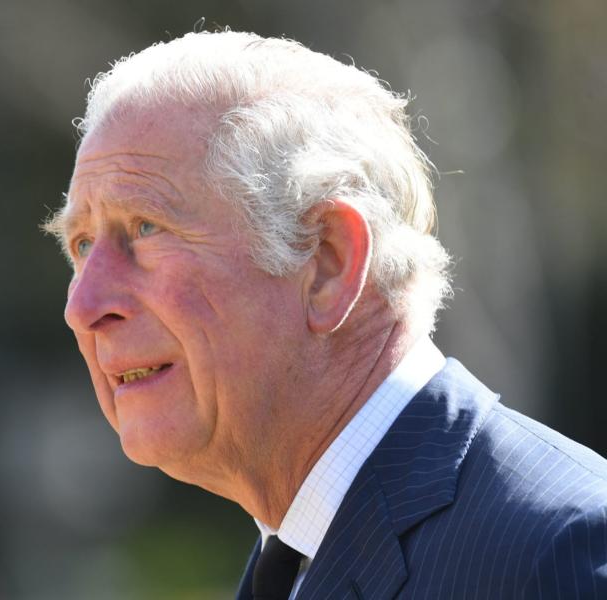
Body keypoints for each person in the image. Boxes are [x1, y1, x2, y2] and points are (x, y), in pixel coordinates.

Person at [44, 30, 607, 599]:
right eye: (84, 245)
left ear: (328, 262)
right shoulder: (295, 553)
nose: (82, 307)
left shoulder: (560, 552)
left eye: (146, 228)